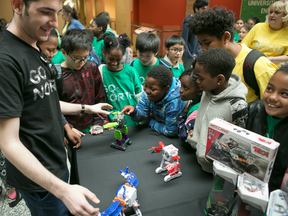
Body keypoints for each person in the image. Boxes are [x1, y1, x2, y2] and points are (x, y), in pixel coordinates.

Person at [0, 0, 112, 215]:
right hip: (40, 178)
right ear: (17, 5)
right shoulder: (6, 59)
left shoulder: (34, 45)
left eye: (57, 13)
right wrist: (62, 190)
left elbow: (46, 101)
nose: (54, 22)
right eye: (45, 12)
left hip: (54, 163)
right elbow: (8, 142)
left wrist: (88, 108)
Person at [187, 7, 277, 103]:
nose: (203, 49)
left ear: (226, 37)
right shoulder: (211, 62)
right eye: (200, 44)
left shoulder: (258, 65)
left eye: (207, 43)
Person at [186, 48, 248, 173]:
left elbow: (239, 147)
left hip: (216, 171)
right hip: (196, 160)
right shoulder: (208, 90)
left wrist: (213, 157)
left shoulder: (237, 106)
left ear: (219, 79)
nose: (197, 81)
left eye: (200, 78)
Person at [246, 65, 288, 192]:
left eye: (284, 94)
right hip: (247, 187)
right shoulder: (251, 110)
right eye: (269, 89)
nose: (273, 97)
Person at [61, 29, 109, 134]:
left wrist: (98, 123)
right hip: (69, 129)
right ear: (64, 52)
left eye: (86, 57)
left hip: (92, 126)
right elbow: (53, 107)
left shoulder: (91, 67)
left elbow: (99, 97)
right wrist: (67, 128)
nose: (82, 62)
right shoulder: (56, 74)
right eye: (77, 58)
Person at [121, 65, 187, 137]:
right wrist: (134, 111)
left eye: (153, 89)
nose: (147, 91)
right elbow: (142, 115)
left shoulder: (175, 102)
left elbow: (171, 131)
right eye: (145, 85)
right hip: (160, 128)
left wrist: (151, 122)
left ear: (166, 89)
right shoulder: (148, 92)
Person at [100, 34, 142, 127]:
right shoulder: (100, 72)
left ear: (123, 56)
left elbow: (140, 96)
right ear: (104, 53)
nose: (114, 63)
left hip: (133, 122)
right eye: (110, 59)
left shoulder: (131, 71)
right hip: (112, 123)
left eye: (118, 59)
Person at [242, 1, 288, 65]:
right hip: (251, 65)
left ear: (286, 15)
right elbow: (243, 47)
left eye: (277, 12)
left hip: (273, 69)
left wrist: (269, 59)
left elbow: (287, 56)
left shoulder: (286, 32)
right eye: (271, 12)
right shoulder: (258, 27)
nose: (271, 15)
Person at [176, 68, 202, 146]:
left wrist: (183, 114)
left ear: (199, 91)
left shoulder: (196, 111)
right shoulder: (193, 102)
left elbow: (184, 136)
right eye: (181, 86)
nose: (180, 90)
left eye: (185, 88)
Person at [181, 0, 209, 70]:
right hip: (189, 57)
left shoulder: (201, 21)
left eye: (206, 9)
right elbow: (184, 41)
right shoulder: (188, 22)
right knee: (187, 76)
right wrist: (190, 55)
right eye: (203, 9)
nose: (205, 11)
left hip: (199, 54)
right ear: (196, 9)